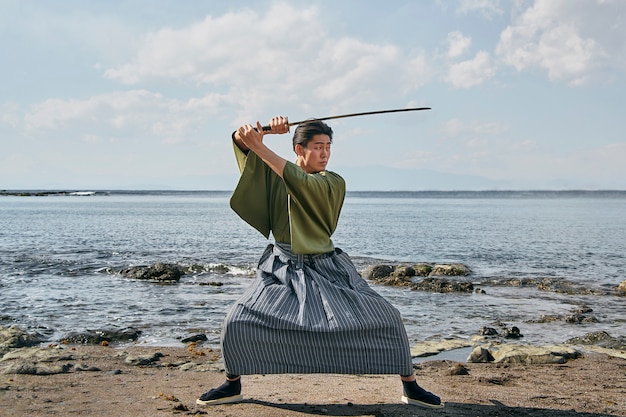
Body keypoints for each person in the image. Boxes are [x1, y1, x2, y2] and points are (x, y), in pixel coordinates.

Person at [196, 116, 443, 409]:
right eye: (317, 147)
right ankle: (232, 384)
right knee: (237, 319)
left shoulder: (332, 182)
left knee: (387, 317)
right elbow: (243, 145)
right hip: (281, 267)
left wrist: (260, 146)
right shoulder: (274, 173)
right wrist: (256, 134)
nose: (325, 153)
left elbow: (300, 182)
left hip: (327, 267)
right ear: (299, 149)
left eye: (328, 147)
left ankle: (410, 385)